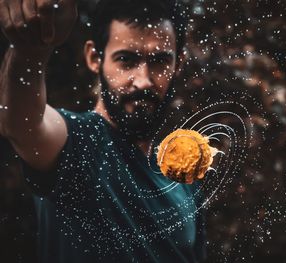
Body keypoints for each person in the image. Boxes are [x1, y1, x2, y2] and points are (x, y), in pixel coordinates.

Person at [0, 0, 207, 262]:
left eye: (159, 61)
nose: (143, 79)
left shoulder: (183, 182)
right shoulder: (77, 144)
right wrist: (31, 46)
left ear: (178, 64)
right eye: (126, 60)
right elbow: (20, 124)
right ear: (94, 58)